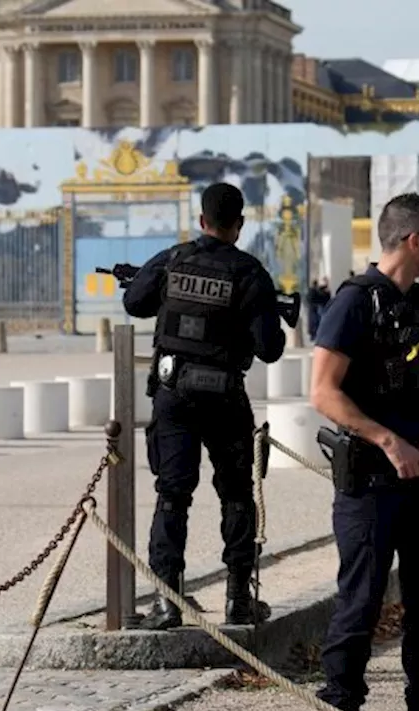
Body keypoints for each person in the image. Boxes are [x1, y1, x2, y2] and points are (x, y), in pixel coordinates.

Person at [310, 192, 419, 711]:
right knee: (359, 607)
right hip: (372, 485)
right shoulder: (355, 300)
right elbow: (324, 391)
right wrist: (387, 440)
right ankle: (341, 705)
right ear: (414, 240)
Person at [122, 182, 286, 630]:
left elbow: (134, 301)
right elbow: (270, 348)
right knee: (236, 496)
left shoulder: (175, 259)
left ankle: (166, 603)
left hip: (174, 396)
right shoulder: (250, 272)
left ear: (201, 220)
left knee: (172, 496)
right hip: (226, 399)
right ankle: (238, 600)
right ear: (240, 225)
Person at [306, 277, 332, 341]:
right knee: (318, 321)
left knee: (316, 321)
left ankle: (314, 336)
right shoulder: (315, 291)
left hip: (316, 308)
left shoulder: (313, 290)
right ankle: (315, 336)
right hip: (318, 308)